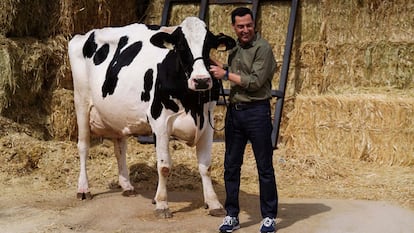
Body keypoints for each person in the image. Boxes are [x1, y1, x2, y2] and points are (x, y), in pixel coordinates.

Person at [209, 7, 278, 233]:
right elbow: (235, 71)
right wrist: (218, 66)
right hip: (235, 114)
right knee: (231, 166)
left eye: (248, 25)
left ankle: (269, 217)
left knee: (264, 167)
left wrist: (226, 75)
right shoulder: (235, 48)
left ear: (254, 24)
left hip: (257, 112)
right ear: (234, 28)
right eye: (240, 26)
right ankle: (232, 215)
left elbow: (255, 81)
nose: (245, 30)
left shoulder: (263, 48)